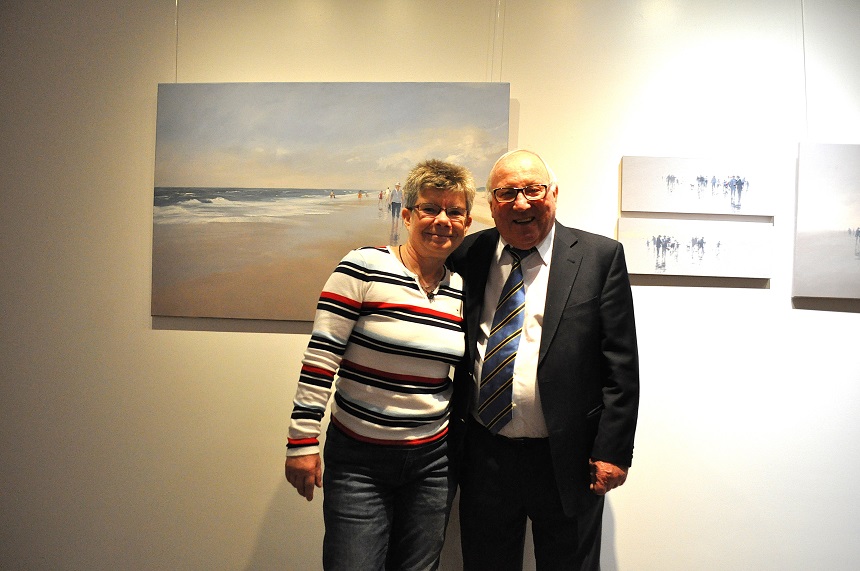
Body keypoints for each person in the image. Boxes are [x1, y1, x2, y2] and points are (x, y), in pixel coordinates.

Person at [448, 149, 640, 570]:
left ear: (553, 193)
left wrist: (613, 450)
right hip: (485, 456)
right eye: (507, 193)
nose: (522, 203)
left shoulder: (599, 258)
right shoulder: (468, 256)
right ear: (490, 204)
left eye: (533, 189)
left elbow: (621, 366)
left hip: (568, 459)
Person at [285, 159, 475, 571]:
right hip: (358, 462)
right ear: (407, 215)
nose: (442, 220)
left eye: (454, 211)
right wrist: (302, 442)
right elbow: (321, 358)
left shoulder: (460, 289)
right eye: (430, 208)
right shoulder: (362, 267)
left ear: (467, 222)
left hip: (432, 464)